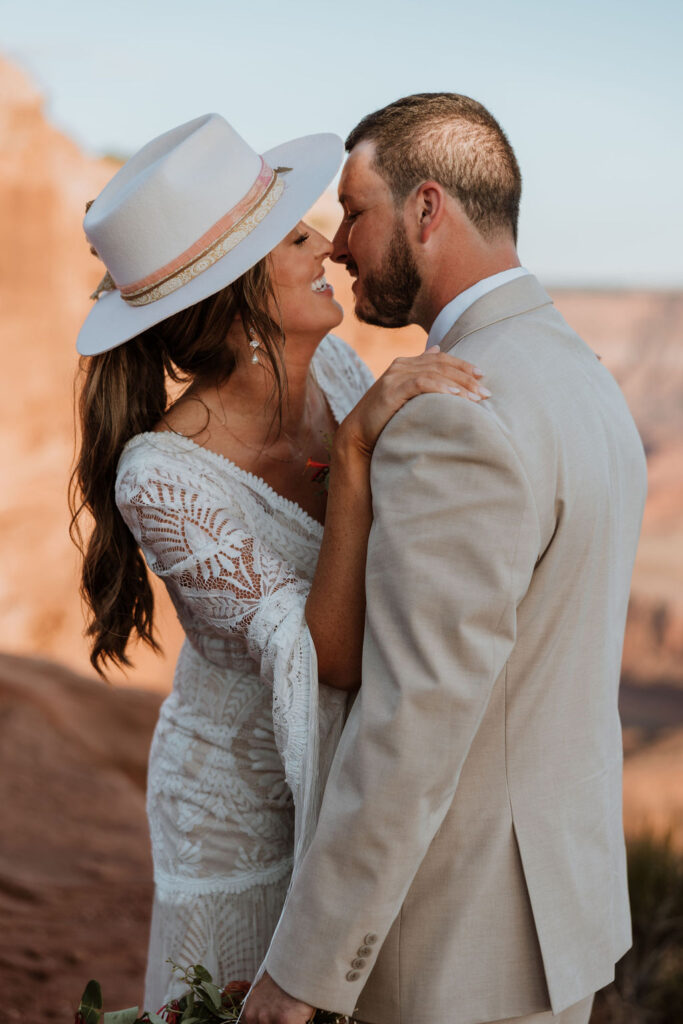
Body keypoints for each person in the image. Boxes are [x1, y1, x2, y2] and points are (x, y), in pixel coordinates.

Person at [242, 94, 648, 1024]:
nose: (339, 245)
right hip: (556, 930)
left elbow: (410, 720)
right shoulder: (582, 376)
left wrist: (302, 971)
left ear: (427, 210)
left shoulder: (450, 415)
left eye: (353, 211)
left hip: (455, 949)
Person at [70, 112, 488, 1011]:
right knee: (237, 999)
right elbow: (320, 654)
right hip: (232, 814)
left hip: (331, 781)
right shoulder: (163, 479)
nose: (331, 248)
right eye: (296, 238)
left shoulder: (335, 373)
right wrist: (356, 459)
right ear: (237, 292)